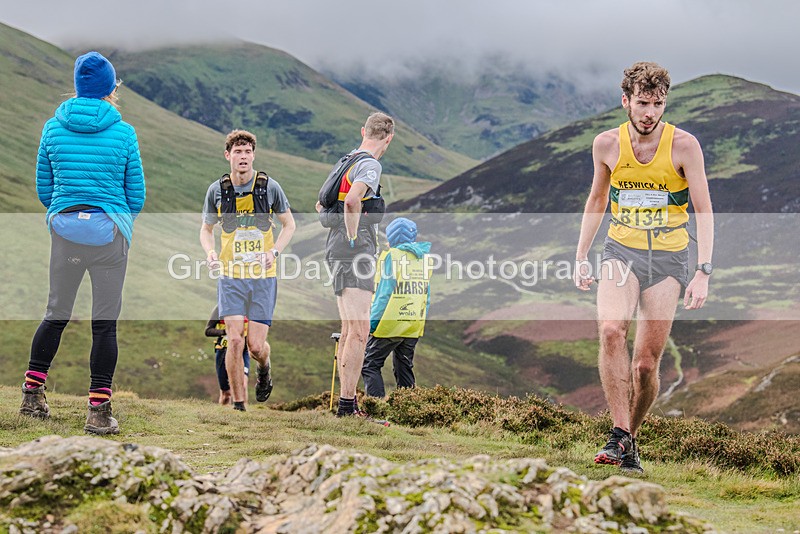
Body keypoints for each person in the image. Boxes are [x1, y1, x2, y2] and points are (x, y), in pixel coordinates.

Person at [574, 62, 714, 474]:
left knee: (645, 365)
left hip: (670, 260)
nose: (650, 112)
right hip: (621, 251)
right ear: (626, 102)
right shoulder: (606, 145)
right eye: (642, 103)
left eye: (657, 104)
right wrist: (581, 254)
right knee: (610, 329)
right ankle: (619, 433)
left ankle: (629, 439)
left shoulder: (685, 146)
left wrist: (703, 270)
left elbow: (704, 210)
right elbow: (597, 199)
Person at [19, 51, 146, 435]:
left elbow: (45, 189)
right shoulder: (124, 132)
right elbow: (135, 196)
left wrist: (70, 215)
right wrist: (113, 219)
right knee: (105, 324)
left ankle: (31, 394)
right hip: (110, 237)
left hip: (65, 234)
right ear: (110, 89)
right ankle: (98, 412)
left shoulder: (52, 128)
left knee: (55, 313)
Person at [200, 129, 296, 412]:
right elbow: (206, 230)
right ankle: (240, 405)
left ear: (253, 155)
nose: (243, 157)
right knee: (233, 339)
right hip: (231, 276)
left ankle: (264, 367)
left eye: (248, 152)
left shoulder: (269, 187)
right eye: (238, 152)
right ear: (228, 155)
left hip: (263, 278)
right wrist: (210, 253)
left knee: (255, 346)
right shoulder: (217, 190)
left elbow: (289, 225)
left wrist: (274, 251)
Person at [316, 112, 395, 418]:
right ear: (388, 139)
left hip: (335, 248)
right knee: (361, 330)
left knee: (350, 328)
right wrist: (353, 236)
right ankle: (348, 406)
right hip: (353, 250)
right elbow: (351, 201)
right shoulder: (370, 165)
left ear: (364, 131)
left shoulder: (346, 160)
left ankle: (346, 404)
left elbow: (322, 203)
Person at [361, 218, 431, 397]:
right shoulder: (424, 258)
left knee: (370, 364)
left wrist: (373, 323)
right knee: (404, 365)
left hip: (389, 324)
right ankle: (408, 408)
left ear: (391, 237)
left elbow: (383, 294)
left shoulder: (392, 257)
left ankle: (375, 407)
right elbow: (426, 296)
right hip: (413, 324)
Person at [205, 305, 250, 405]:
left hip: (243, 352)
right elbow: (208, 331)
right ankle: (224, 417)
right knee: (226, 394)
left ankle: (243, 416)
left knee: (243, 385)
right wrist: (226, 331)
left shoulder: (250, 308)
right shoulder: (220, 308)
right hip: (223, 351)